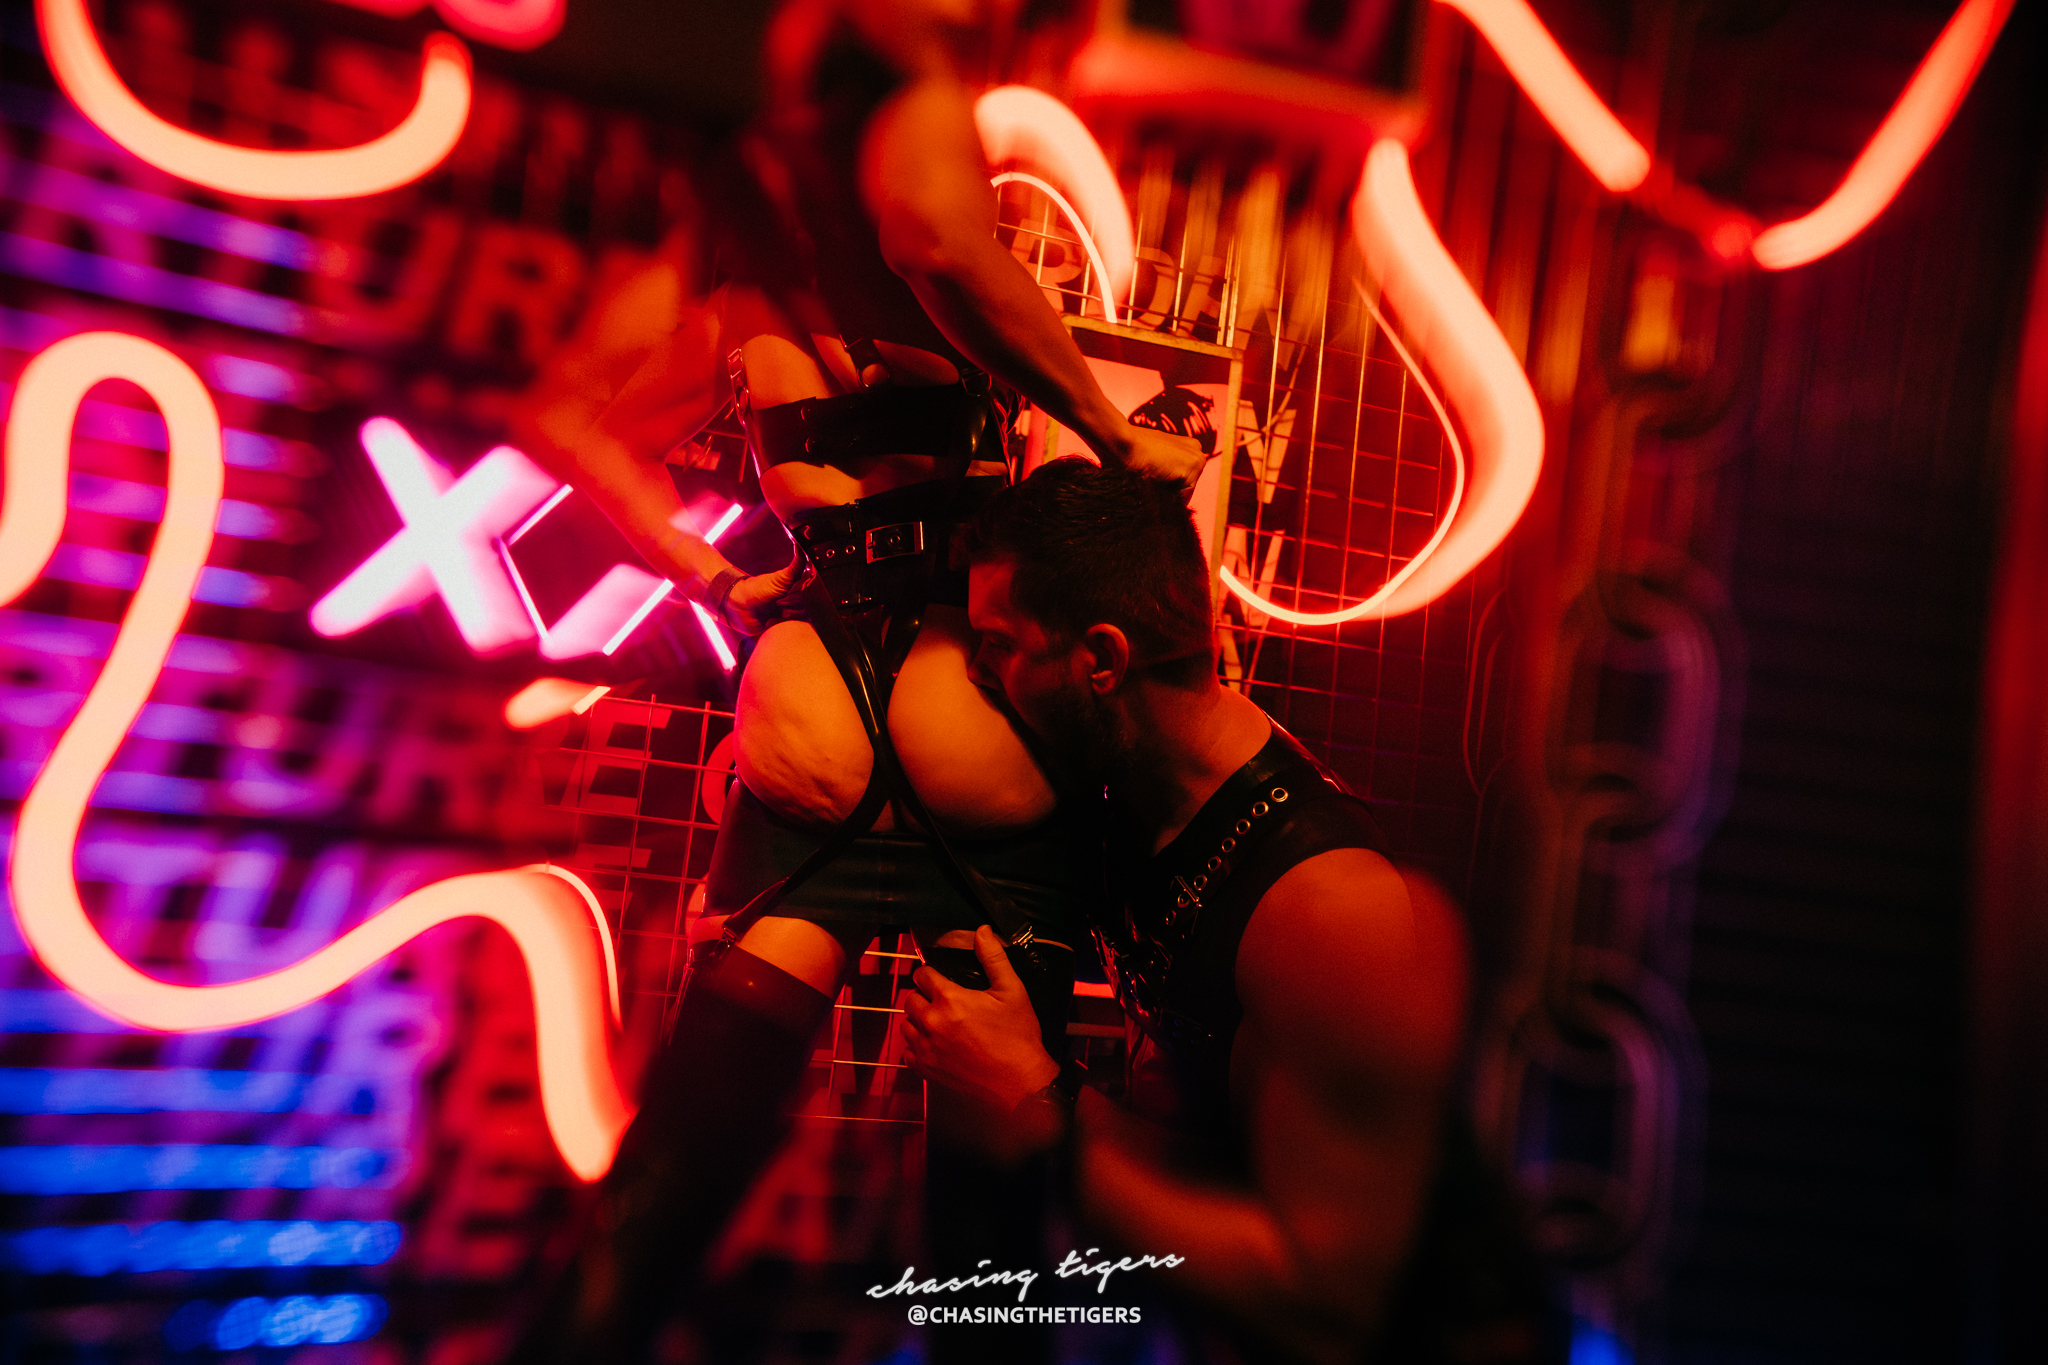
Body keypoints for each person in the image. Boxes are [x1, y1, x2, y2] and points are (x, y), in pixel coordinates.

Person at [502, 1, 1202, 1361]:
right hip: (965, 722)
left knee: (667, 1189)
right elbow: (938, 241)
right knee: (989, 1239)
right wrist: (1110, 433)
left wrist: (711, 577)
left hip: (810, 707)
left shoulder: (736, 290)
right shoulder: (921, 164)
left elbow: (560, 420)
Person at [902, 459, 1561, 1363]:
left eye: (1001, 644)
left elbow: (1326, 1307)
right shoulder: (1129, 795)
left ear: (1100, 660)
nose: (979, 672)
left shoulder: (1327, 910)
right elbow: (1210, 1157)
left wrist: (1035, 1107)